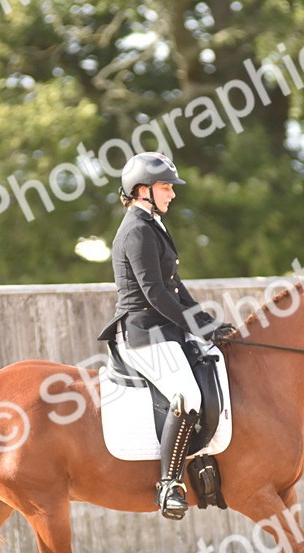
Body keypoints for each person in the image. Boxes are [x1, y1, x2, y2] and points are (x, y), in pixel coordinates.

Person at [97, 152, 235, 520]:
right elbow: (155, 294)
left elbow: (176, 288)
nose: (172, 194)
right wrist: (196, 327)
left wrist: (209, 326)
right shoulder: (137, 230)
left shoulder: (152, 224)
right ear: (142, 190)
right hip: (143, 332)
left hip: (165, 330)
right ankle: (169, 484)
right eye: (165, 187)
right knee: (186, 394)